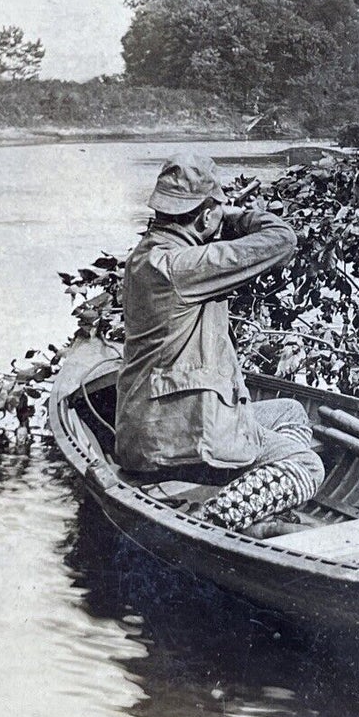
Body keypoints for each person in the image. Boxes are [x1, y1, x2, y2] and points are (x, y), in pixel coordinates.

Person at [114, 150, 325, 533]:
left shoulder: (147, 257)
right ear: (207, 214)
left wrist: (213, 214)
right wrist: (234, 216)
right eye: (214, 210)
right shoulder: (184, 266)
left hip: (151, 425)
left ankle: (253, 500)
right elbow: (282, 239)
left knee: (290, 411)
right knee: (308, 466)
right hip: (175, 441)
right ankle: (212, 519)